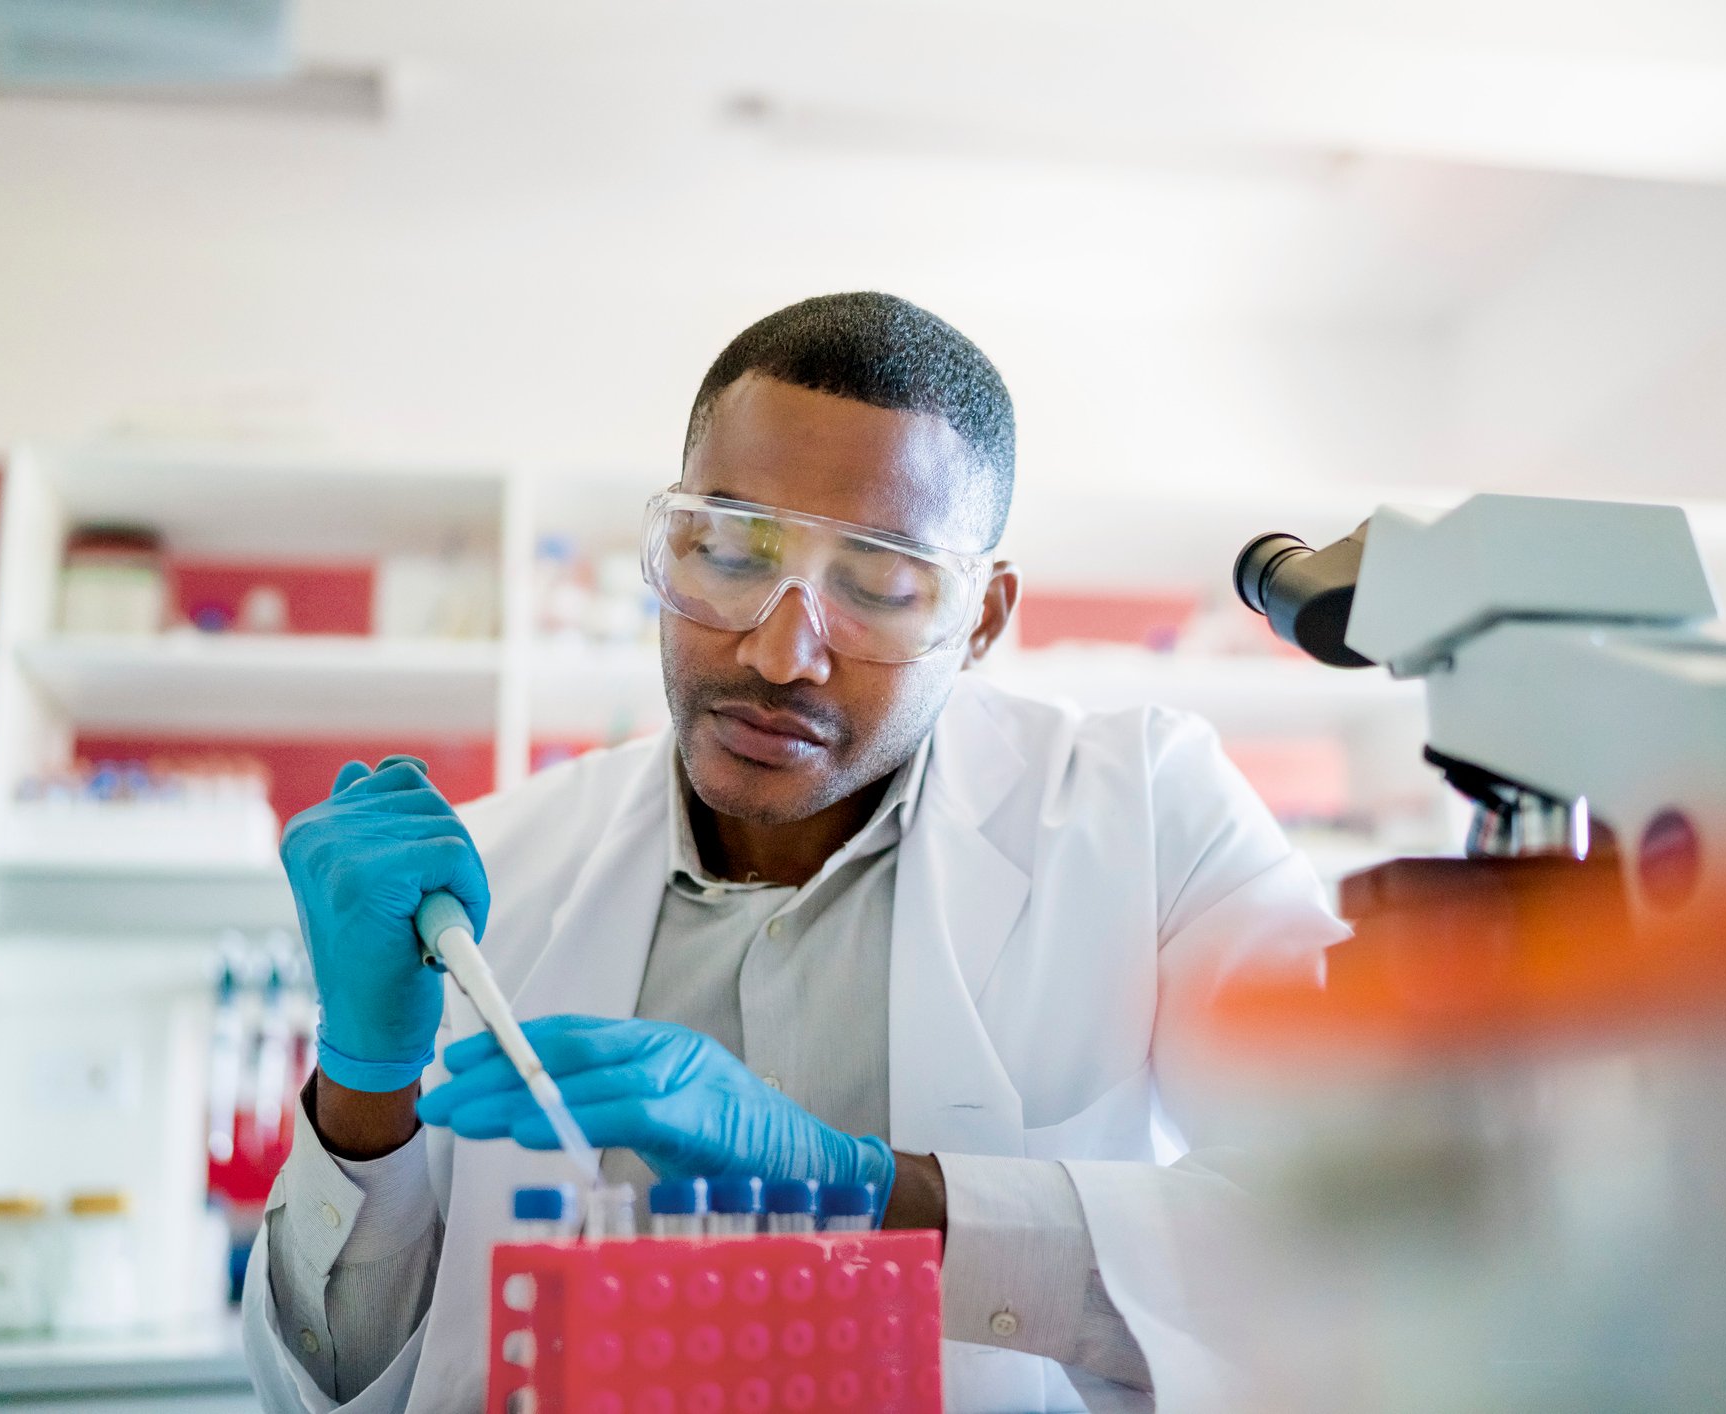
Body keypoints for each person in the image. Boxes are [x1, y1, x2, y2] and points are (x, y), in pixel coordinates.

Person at [241, 292, 1346, 1413]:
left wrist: (865, 1192)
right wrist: (363, 1087)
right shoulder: (490, 876)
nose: (779, 654)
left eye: (877, 585)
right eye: (728, 553)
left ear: (980, 620)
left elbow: (1352, 1236)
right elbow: (332, 1390)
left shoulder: (1145, 813)